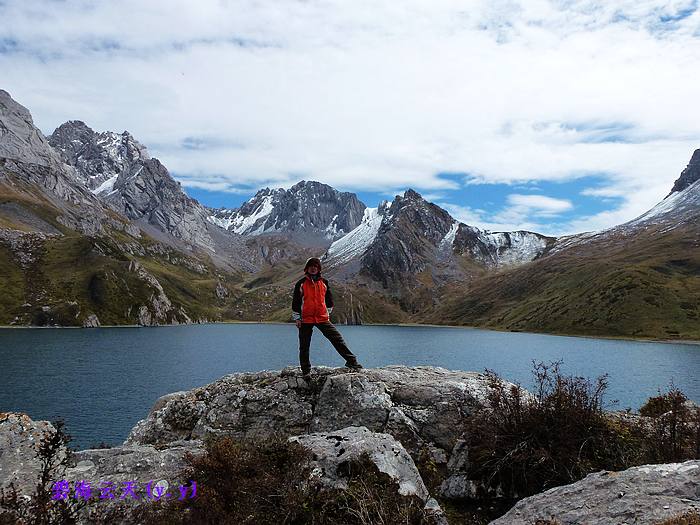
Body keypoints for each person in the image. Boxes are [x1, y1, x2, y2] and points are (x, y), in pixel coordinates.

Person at [292, 257, 363, 380]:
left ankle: (352, 361)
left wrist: (327, 312)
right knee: (304, 346)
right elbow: (296, 302)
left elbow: (329, 300)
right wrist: (297, 318)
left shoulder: (324, 282)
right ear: (307, 268)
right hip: (305, 319)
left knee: (337, 339)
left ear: (319, 268)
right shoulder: (301, 283)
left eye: (316, 266)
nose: (313, 268)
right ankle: (306, 371)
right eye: (311, 266)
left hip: (322, 318)